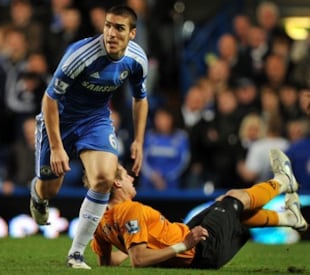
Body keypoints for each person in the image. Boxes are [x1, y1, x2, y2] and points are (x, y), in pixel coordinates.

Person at [29, 5, 148, 269]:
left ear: (132, 34)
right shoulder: (81, 55)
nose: (111, 33)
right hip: (59, 118)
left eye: (119, 28)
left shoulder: (137, 60)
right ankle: (37, 194)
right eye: (108, 25)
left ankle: (76, 254)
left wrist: (139, 140)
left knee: (104, 178)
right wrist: (58, 146)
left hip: (95, 120)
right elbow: (49, 99)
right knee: (51, 188)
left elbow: (140, 99)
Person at [91, 149, 308, 269]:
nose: (130, 176)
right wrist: (183, 245)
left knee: (228, 206)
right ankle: (283, 181)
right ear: (117, 184)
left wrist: (131, 248)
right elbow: (139, 261)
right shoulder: (130, 210)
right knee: (233, 198)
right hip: (199, 249)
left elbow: (106, 263)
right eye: (124, 174)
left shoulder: (100, 220)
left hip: (186, 234)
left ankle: (289, 217)